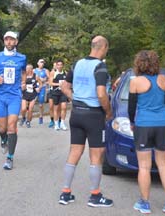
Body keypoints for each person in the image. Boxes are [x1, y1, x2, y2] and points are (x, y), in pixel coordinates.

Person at [58, 35, 113, 207]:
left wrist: (76, 99)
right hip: (94, 115)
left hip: (77, 113)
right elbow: (101, 94)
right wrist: (109, 112)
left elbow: (64, 87)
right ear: (103, 47)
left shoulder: (77, 64)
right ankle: (95, 196)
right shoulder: (100, 67)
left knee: (74, 152)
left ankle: (65, 192)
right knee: (96, 155)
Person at [128, 50, 165, 214]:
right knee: (164, 165)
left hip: (144, 125)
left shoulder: (136, 82)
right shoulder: (163, 80)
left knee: (144, 166)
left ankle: (145, 203)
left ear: (139, 63)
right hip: (164, 124)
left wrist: (133, 122)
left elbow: (131, 107)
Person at [0, 31, 27, 170]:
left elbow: (24, 72)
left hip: (15, 96)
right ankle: (3, 139)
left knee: (11, 126)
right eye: (7, 39)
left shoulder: (21, 58)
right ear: (4, 41)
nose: (9, 42)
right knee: (2, 128)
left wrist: (23, 82)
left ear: (16, 42)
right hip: (0, 96)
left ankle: (10, 157)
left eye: (12, 40)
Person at [49, 59, 68, 131]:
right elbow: (50, 83)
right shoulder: (53, 73)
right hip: (55, 93)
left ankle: (62, 123)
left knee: (64, 107)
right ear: (56, 65)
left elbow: (67, 83)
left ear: (63, 65)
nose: (59, 66)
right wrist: (59, 84)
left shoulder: (65, 73)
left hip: (63, 93)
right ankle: (56, 124)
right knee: (56, 109)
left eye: (61, 65)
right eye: (58, 65)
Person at [34, 58, 49, 124]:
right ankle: (27, 117)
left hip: (42, 88)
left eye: (43, 62)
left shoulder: (45, 71)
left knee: (40, 104)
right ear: (37, 63)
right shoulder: (34, 70)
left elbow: (50, 79)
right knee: (30, 102)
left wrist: (45, 80)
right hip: (35, 88)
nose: (42, 63)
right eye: (41, 62)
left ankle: (41, 116)